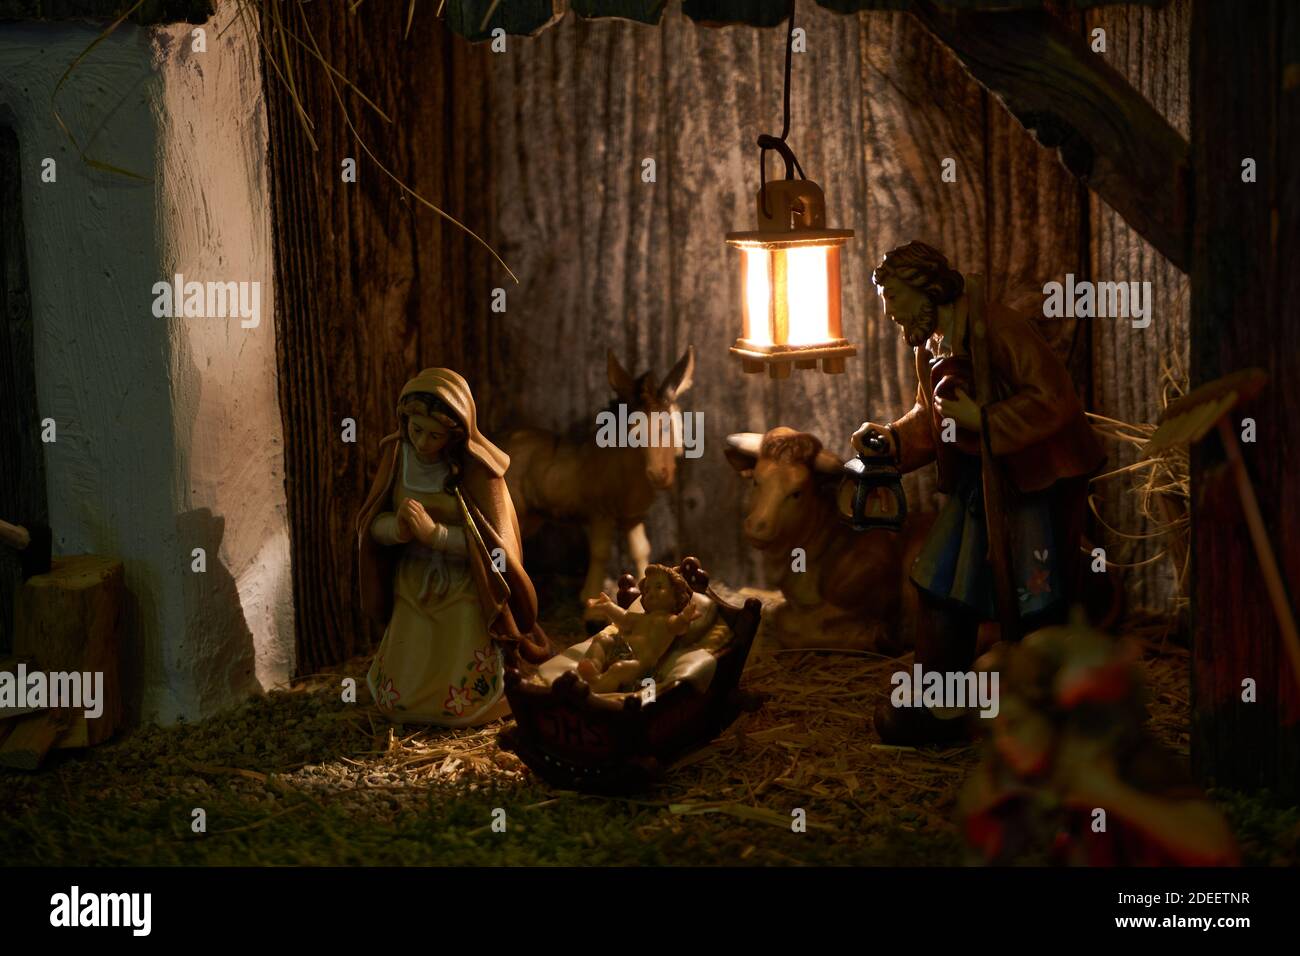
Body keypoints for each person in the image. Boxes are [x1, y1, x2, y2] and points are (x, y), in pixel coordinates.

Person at [852, 241, 1105, 745]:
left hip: (1030, 482)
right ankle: (937, 707)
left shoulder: (998, 330)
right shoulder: (931, 345)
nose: (894, 316)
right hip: (976, 486)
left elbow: (1055, 402)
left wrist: (986, 421)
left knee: (1036, 592)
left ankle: (1048, 711)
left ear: (926, 291)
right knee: (939, 582)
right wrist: (892, 439)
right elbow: (932, 418)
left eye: (897, 302)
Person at [356, 368, 550, 727]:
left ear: (455, 433)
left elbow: (496, 550)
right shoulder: (397, 456)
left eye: (435, 435)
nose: (424, 443)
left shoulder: (478, 469)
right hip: (412, 585)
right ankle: (407, 700)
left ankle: (467, 703)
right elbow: (372, 527)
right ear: (404, 421)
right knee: (410, 655)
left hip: (465, 587)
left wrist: (437, 536)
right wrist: (397, 531)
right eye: (416, 430)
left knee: (457, 653)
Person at [578, 564, 699, 693]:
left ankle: (595, 688)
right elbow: (623, 619)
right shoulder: (641, 618)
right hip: (620, 647)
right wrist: (608, 606)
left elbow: (679, 628)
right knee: (602, 638)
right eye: (647, 590)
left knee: (619, 669)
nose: (651, 593)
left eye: (659, 587)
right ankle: (593, 667)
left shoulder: (668, 620)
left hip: (640, 664)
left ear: (676, 595)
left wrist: (684, 618)